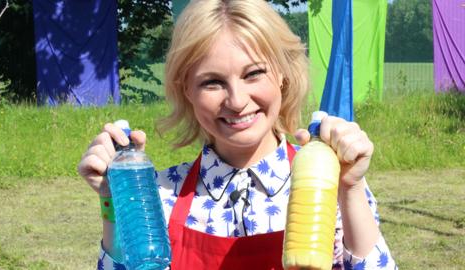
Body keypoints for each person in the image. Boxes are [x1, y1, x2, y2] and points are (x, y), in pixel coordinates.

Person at [78, 0, 397, 269]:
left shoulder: (330, 184)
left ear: (283, 75)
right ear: (186, 89)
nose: (237, 101)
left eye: (254, 74)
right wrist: (114, 202)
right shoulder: (160, 195)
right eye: (211, 82)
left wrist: (351, 187)